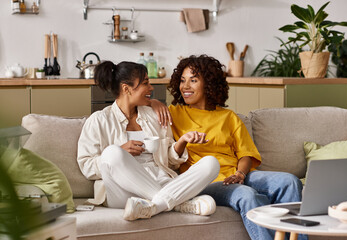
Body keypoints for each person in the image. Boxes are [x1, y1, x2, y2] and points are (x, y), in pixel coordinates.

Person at [159, 55, 304, 240]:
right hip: (206, 183)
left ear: (209, 84)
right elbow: (144, 105)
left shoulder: (229, 117)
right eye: (182, 80)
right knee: (246, 195)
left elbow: (246, 154)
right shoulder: (174, 113)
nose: (185, 86)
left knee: (290, 182)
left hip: (237, 175)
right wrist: (155, 103)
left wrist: (240, 174)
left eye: (193, 80)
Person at [77, 61, 220, 221]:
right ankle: (178, 204)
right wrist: (121, 150)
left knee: (211, 163)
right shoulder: (99, 120)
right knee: (112, 153)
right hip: (121, 190)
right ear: (126, 88)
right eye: (145, 83)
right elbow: (86, 165)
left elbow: (171, 163)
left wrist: (182, 142)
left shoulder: (155, 115)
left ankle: (156, 205)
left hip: (160, 180)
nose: (151, 88)